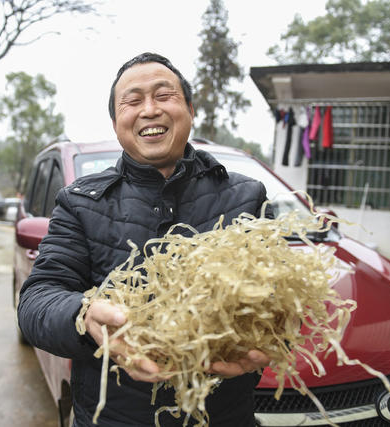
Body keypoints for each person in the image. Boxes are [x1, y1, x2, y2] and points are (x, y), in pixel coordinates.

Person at [17, 53, 271, 427]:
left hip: (221, 414)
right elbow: (37, 301)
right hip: (114, 417)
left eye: (164, 96)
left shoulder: (245, 196)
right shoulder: (80, 202)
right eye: (133, 101)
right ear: (117, 122)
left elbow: (273, 295)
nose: (149, 110)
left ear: (189, 109)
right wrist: (82, 315)